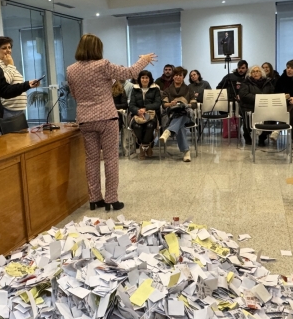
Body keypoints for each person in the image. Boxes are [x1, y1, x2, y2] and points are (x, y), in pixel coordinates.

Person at [66, 34, 156, 211]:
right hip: (106, 117)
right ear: (97, 48)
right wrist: (144, 60)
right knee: (110, 159)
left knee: (91, 159)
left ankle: (95, 199)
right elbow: (130, 73)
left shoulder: (71, 70)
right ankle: (111, 199)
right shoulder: (103, 65)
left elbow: (74, 94)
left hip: (85, 119)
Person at [160, 67, 197, 162]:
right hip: (172, 115)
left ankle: (168, 131)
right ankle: (186, 152)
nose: (178, 77)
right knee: (180, 126)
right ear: (173, 77)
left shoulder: (189, 89)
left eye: (180, 75)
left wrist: (185, 104)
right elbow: (164, 104)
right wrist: (171, 104)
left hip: (187, 115)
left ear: (183, 77)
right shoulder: (167, 90)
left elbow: (194, 104)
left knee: (183, 113)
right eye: (176, 75)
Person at [239, 65, 276, 146]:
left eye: (258, 71)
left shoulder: (268, 82)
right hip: (250, 106)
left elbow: (272, 94)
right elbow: (244, 95)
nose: (256, 73)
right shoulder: (246, 83)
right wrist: (259, 99)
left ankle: (262, 137)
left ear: (261, 73)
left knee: (271, 117)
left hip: (265, 107)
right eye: (253, 71)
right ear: (250, 74)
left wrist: (265, 101)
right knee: (248, 115)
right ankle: (247, 135)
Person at [129, 70, 161, 160]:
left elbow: (157, 103)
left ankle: (143, 147)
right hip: (138, 114)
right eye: (143, 77)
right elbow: (131, 105)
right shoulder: (135, 89)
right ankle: (146, 146)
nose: (144, 79)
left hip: (150, 114)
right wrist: (138, 111)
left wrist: (145, 108)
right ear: (139, 79)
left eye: (147, 78)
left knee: (150, 125)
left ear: (150, 79)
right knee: (137, 126)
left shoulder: (155, 89)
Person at [0, 36, 27, 118]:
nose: (8, 50)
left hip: (18, 109)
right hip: (7, 109)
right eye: (4, 48)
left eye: (9, 47)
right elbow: (5, 81)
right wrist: (11, 65)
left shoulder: (6, 63)